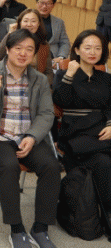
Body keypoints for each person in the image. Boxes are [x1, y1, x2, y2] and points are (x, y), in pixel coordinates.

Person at [0, 29, 60, 248]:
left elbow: (46, 113)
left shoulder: (39, 80)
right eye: (18, 48)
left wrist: (32, 137)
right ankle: (17, 229)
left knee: (52, 166)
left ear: (35, 53)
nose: (23, 53)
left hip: (27, 135)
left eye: (29, 49)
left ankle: (40, 228)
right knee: (9, 166)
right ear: (7, 49)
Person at [53, 30, 111, 219]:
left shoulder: (106, 78)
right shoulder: (64, 74)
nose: (93, 52)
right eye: (88, 47)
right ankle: (108, 214)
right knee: (104, 162)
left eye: (97, 48)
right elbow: (60, 101)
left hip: (101, 132)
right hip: (76, 133)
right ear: (77, 50)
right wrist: (69, 75)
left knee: (104, 161)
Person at [0, 9, 53, 86]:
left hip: (35, 85)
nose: (29, 24)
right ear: (20, 23)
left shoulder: (44, 45)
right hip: (10, 83)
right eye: (25, 21)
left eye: (33, 21)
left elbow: (49, 72)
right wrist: (10, 33)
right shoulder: (12, 39)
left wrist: (41, 86)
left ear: (38, 24)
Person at [35, 0, 70, 65]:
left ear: (53, 5)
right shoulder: (28, 20)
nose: (44, 6)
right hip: (33, 56)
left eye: (48, 3)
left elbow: (65, 42)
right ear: (36, 3)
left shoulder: (59, 22)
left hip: (53, 59)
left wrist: (61, 57)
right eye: (41, 3)